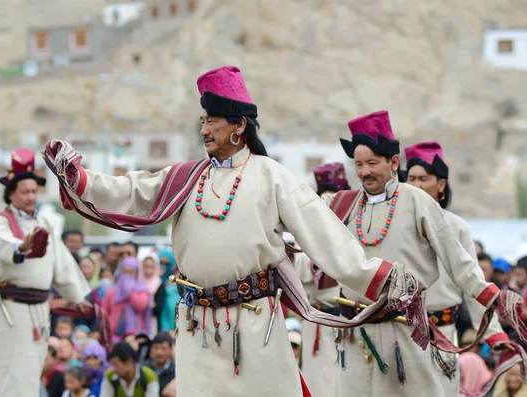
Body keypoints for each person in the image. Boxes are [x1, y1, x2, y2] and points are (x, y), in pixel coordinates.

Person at [45, 66, 428, 397]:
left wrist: (385, 278)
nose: (205, 129)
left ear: (239, 126)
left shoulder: (271, 176)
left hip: (254, 324)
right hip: (195, 328)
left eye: (213, 120)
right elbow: (130, 191)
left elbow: (325, 238)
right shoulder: (186, 178)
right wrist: (79, 177)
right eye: (203, 120)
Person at [327, 110, 524, 397]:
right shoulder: (346, 205)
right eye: (358, 164)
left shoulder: (419, 204)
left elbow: (464, 271)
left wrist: (495, 310)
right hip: (356, 336)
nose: (364, 171)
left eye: (372, 162)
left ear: (393, 163)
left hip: (415, 336)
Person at [0, 149, 92, 397]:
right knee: (9, 375)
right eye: (24, 192)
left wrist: (78, 298)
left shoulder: (44, 224)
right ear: (11, 193)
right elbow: (0, 243)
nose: (30, 197)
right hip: (10, 310)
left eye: (34, 191)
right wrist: (22, 245)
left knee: (31, 373)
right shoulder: (0, 222)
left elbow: (62, 264)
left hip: (39, 310)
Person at [405, 141, 510, 394]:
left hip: (442, 334)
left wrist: (494, 335)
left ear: (441, 185)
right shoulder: (396, 225)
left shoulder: (456, 227)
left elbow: (471, 282)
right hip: (399, 333)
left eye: (424, 179)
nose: (416, 186)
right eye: (411, 179)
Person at [299, 162, 351, 396]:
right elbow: (300, 267)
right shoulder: (306, 231)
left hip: (351, 319)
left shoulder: (354, 226)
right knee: (317, 383)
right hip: (317, 320)